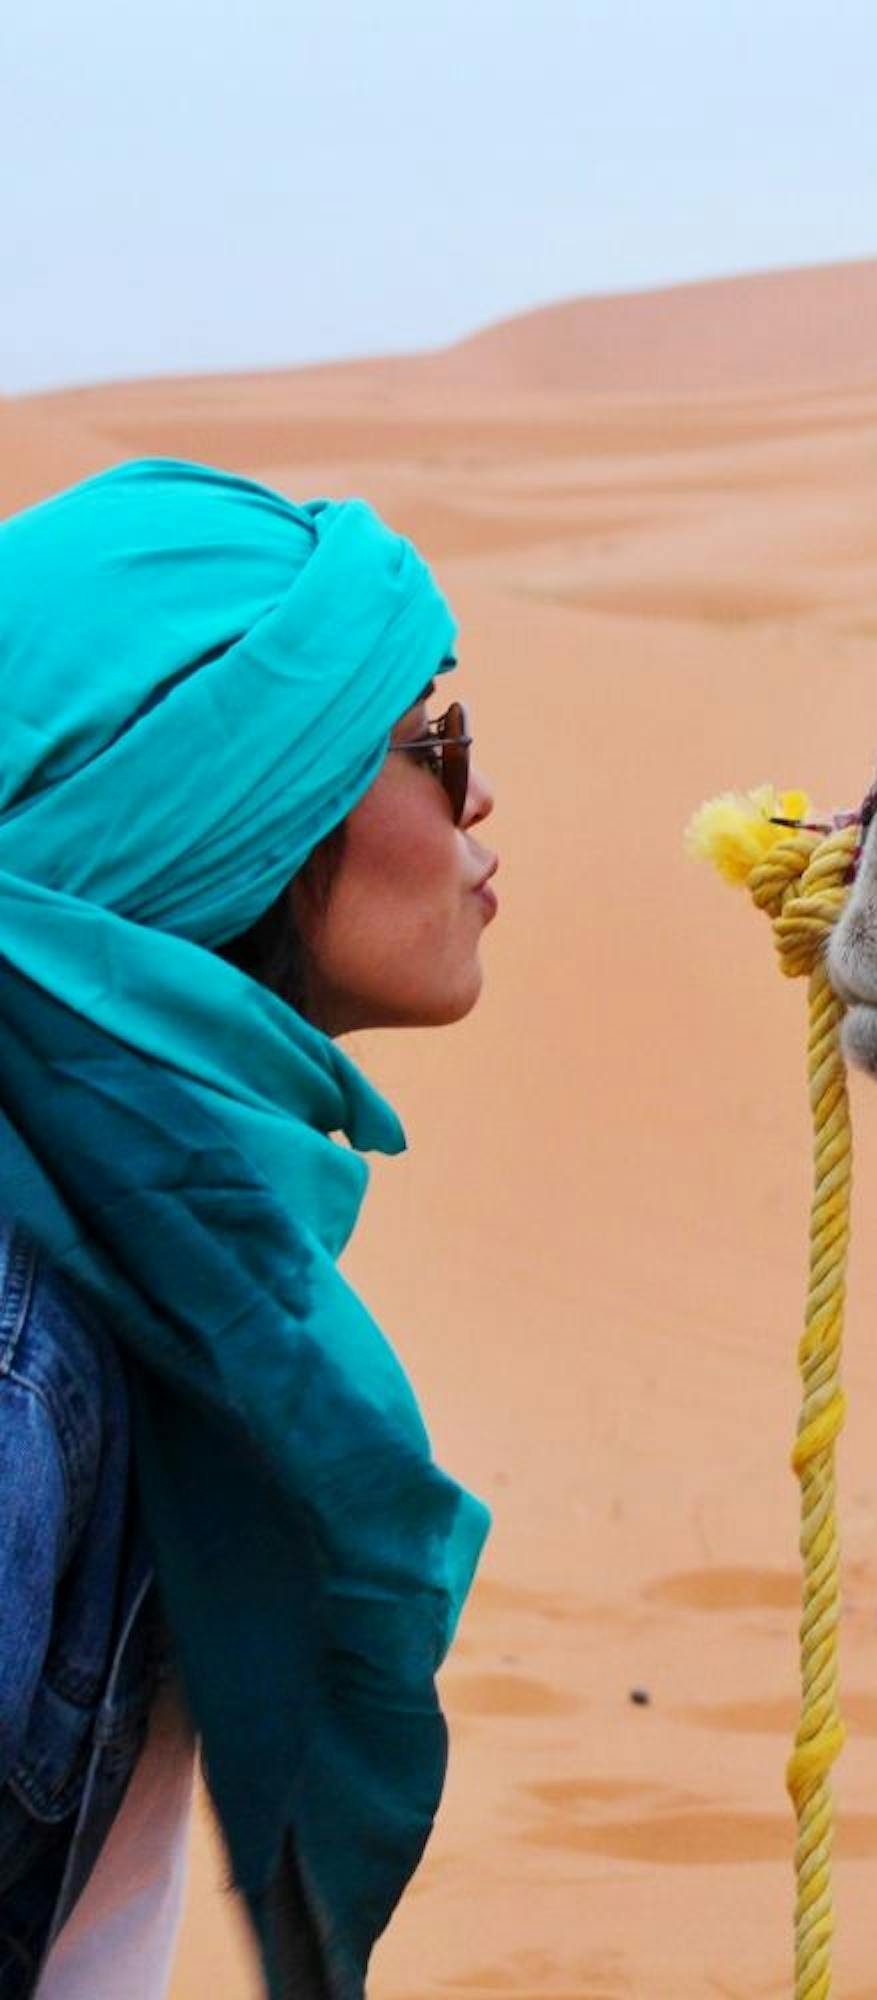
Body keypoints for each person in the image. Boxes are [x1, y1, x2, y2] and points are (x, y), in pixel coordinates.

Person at [0, 461, 499, 1997]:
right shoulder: (17, 1346)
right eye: (431, 743)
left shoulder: (138, 1240)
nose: (478, 798)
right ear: (221, 798)